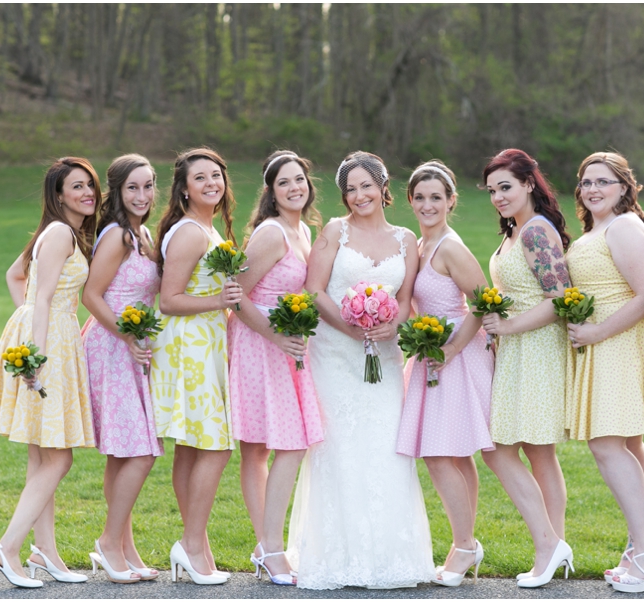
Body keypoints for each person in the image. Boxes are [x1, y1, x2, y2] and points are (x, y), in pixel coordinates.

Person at [287, 151, 435, 589]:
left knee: (386, 448)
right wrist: (351, 329)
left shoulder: (408, 239)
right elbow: (314, 290)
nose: (358, 196)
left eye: (365, 186)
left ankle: (391, 557)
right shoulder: (335, 231)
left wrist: (393, 324)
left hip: (385, 358)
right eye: (350, 189)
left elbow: (406, 298)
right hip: (335, 354)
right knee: (340, 448)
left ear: (383, 187)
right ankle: (337, 557)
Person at [0, 157, 101, 587]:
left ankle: (45, 553)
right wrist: (35, 357)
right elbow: (40, 297)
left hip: (50, 332)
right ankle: (7, 547)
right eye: (76, 187)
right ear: (59, 194)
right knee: (58, 457)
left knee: (42, 456)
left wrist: (24, 321)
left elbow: (15, 276)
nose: (86, 193)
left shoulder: (61, 232)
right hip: (51, 343)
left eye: (90, 186)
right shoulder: (61, 233)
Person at [564, 151, 644, 593]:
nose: (593, 190)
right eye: (587, 182)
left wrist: (598, 331)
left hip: (619, 340)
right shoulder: (597, 228)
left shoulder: (624, 226)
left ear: (624, 188)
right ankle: (638, 545)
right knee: (625, 443)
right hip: (602, 340)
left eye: (603, 182)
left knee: (605, 443)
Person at [395, 161, 494, 587]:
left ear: (452, 201)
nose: (428, 204)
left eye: (437, 197)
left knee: (437, 455)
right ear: (410, 201)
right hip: (430, 353)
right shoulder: (419, 244)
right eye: (420, 197)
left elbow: (484, 303)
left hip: (455, 356)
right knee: (454, 455)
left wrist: (451, 349)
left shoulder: (450, 247)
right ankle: (463, 545)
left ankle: (467, 544)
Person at [228, 151, 324, 586]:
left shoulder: (302, 229)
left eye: (299, 180)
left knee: (269, 447)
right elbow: (237, 296)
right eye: (284, 182)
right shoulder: (271, 234)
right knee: (277, 445)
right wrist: (274, 335)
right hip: (259, 343)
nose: (294, 188)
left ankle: (265, 545)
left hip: (286, 344)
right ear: (271, 191)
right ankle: (271, 546)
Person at [480, 149, 575, 588]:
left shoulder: (537, 232)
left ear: (529, 184)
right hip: (515, 350)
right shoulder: (513, 232)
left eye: (506, 187)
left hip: (537, 350)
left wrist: (509, 325)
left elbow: (561, 302)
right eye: (493, 190)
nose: (499, 197)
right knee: (537, 452)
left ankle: (548, 545)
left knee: (501, 448)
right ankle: (554, 545)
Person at [149, 147, 242, 585]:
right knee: (216, 446)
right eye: (200, 178)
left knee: (191, 447)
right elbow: (169, 300)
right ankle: (189, 545)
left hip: (203, 342)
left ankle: (196, 544)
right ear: (184, 189)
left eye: (216, 176)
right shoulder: (190, 233)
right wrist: (218, 301)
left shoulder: (205, 227)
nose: (211, 183)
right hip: (189, 347)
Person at [81, 154, 163, 583]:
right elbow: (92, 296)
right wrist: (128, 337)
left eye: (148, 185)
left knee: (121, 453)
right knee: (141, 451)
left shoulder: (141, 232)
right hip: (113, 348)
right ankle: (109, 543)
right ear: (117, 191)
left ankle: (125, 547)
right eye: (133, 187)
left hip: (131, 348)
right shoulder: (116, 235)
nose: (143, 195)